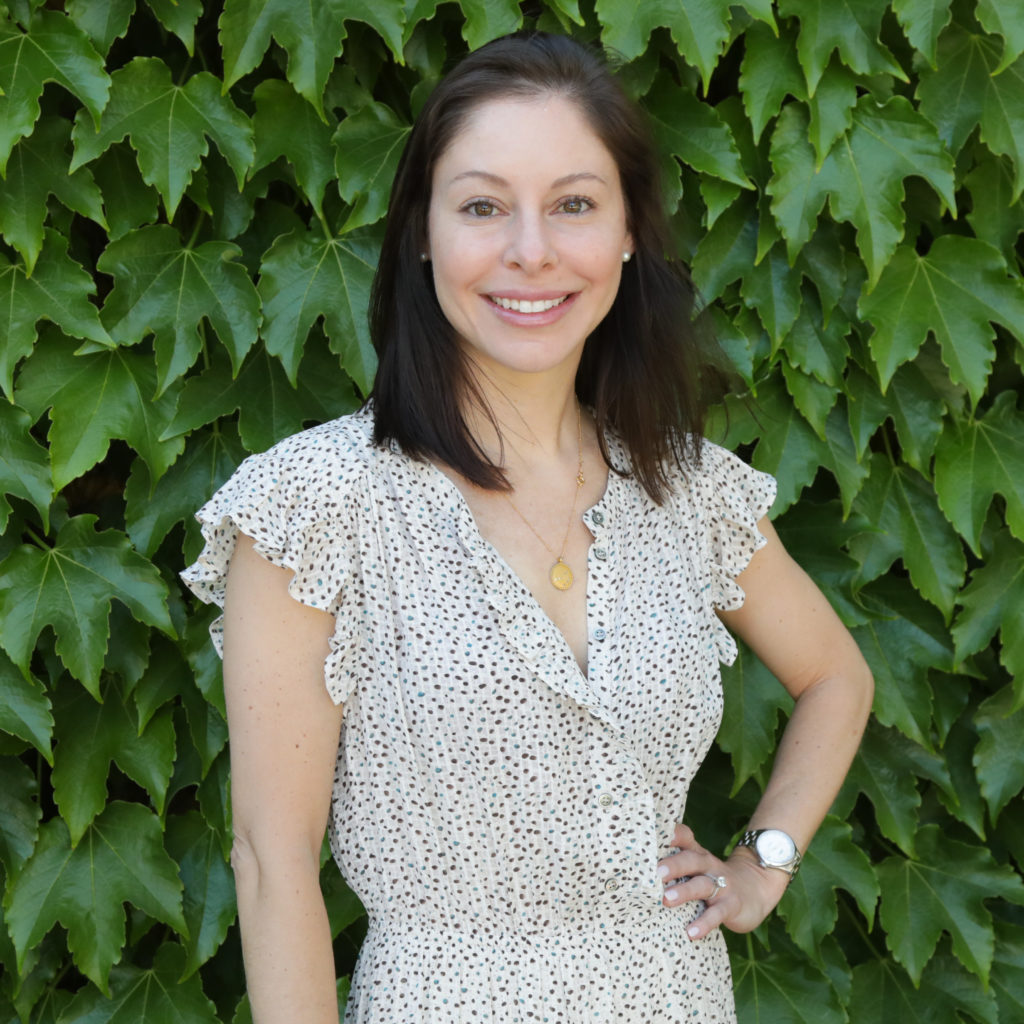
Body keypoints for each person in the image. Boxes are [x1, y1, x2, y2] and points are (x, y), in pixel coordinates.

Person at [182, 31, 873, 1024]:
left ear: (628, 229)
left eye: (574, 204)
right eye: (481, 206)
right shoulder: (316, 502)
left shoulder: (690, 490)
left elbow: (836, 676)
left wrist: (761, 864)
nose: (530, 251)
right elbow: (270, 861)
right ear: (423, 231)